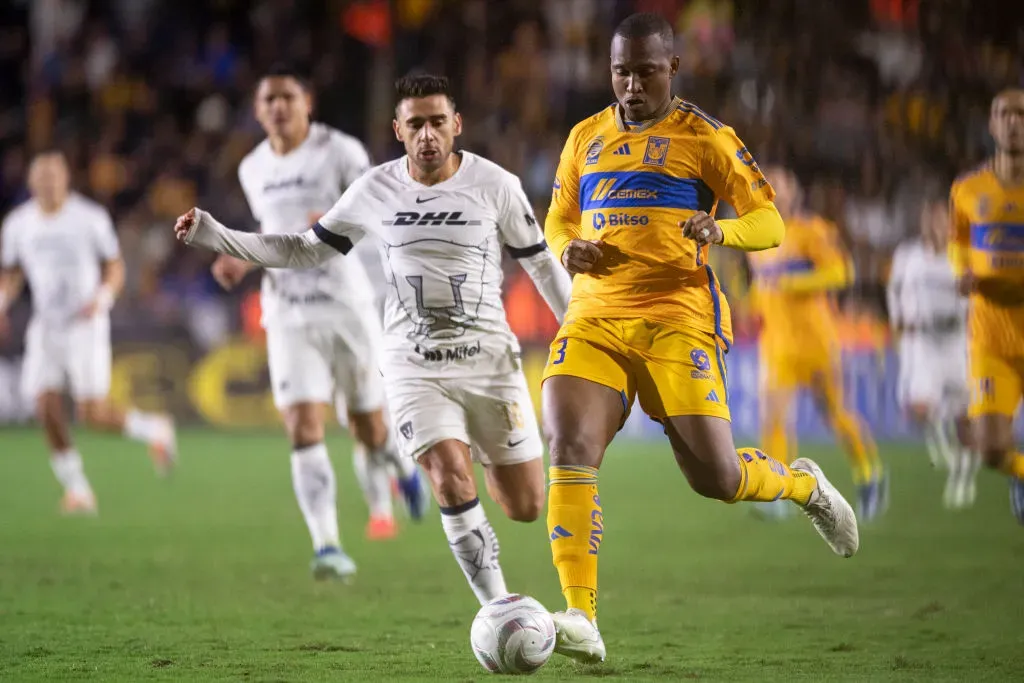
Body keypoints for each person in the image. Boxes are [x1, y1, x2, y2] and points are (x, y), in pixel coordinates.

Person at [172, 74, 572, 605]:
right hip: (413, 364)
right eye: (415, 124)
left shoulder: (495, 184)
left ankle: (476, 452)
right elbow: (303, 250)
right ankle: (498, 607)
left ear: (456, 125)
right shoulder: (374, 189)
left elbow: (541, 264)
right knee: (449, 476)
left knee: (525, 505)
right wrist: (216, 235)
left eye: (437, 122)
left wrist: (578, 331)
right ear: (398, 130)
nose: (427, 134)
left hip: (489, 362)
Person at [540, 13, 859, 663]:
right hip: (595, 315)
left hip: (678, 317)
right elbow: (557, 220)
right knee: (568, 443)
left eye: (646, 72)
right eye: (621, 73)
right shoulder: (585, 137)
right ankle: (581, 615)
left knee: (716, 477)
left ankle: (803, 487)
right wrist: (567, 248)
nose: (632, 86)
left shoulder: (707, 137)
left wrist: (722, 231)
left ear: (673, 69)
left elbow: (769, 221)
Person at [212, 64, 428, 581]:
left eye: (287, 97)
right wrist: (243, 259)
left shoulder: (341, 151)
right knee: (302, 424)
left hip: (345, 305)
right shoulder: (252, 167)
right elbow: (273, 233)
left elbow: (380, 213)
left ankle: (402, 466)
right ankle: (327, 545)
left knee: (368, 428)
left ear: (307, 102)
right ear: (258, 110)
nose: (278, 107)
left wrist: (329, 225)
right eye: (268, 99)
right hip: (287, 311)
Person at [0, 150, 176, 515]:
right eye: (42, 177)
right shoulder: (18, 224)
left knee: (92, 414)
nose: (48, 183)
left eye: (54, 176)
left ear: (66, 179)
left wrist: (104, 297)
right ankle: (77, 489)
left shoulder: (89, 218)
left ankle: (155, 429)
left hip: (85, 323)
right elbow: (12, 272)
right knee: (44, 405)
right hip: (46, 325)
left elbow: (114, 266)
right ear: (31, 182)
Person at [749, 166, 885, 521]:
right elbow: (762, 288)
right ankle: (776, 493)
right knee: (773, 417)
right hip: (778, 344)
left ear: (794, 193)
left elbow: (841, 273)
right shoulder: (756, 237)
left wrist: (794, 283)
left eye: (781, 186)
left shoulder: (813, 230)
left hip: (816, 342)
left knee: (836, 415)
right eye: (767, 186)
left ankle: (869, 474)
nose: (773, 192)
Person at [948, 88, 1024, 521]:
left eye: (1021, 114)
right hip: (991, 338)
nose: (1013, 122)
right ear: (993, 125)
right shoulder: (967, 189)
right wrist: (962, 271)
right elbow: (958, 242)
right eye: (1004, 114)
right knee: (993, 450)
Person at [888, 196, 977, 508]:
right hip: (925, 344)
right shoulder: (909, 255)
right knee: (920, 409)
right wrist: (898, 319)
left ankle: (963, 477)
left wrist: (966, 316)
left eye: (940, 220)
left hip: (956, 344)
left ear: (949, 225)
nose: (934, 226)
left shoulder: (962, 257)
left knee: (966, 419)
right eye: (929, 220)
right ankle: (949, 448)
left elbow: (975, 297)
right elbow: (894, 288)